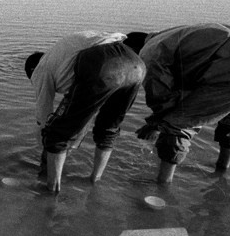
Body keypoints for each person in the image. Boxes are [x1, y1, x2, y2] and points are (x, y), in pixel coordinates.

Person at [124, 23, 230, 183]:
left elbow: (162, 98)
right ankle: (222, 170)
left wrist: (157, 124)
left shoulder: (149, 53)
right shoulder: (167, 35)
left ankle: (162, 184)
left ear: (133, 52)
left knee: (177, 122)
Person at [25, 30, 146, 192]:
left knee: (55, 134)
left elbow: (43, 117)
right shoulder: (61, 60)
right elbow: (88, 110)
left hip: (104, 62)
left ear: (32, 70)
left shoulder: (41, 69)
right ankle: (94, 182)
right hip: (136, 64)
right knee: (108, 128)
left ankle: (50, 190)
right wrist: (73, 141)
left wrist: (48, 147)